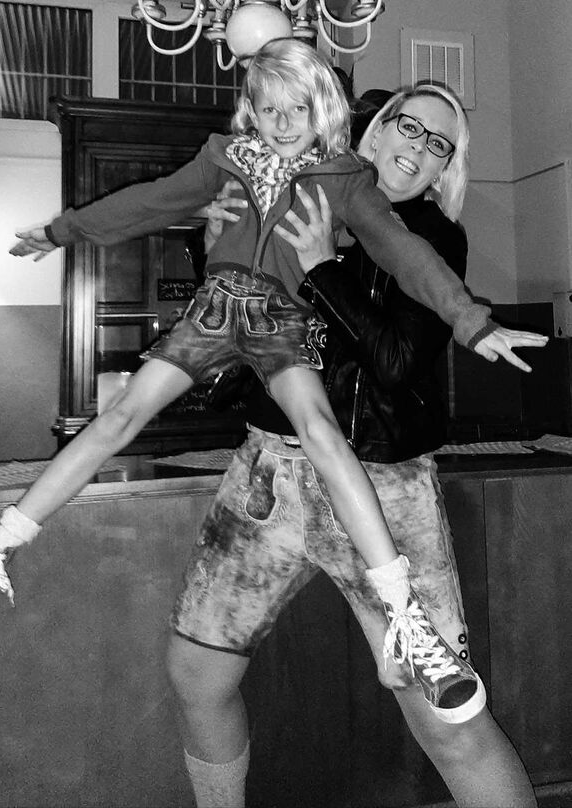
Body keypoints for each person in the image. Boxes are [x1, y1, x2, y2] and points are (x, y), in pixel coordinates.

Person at [0, 42, 544, 722]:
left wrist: (472, 322)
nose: (281, 123)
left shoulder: (343, 181)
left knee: (322, 434)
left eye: (296, 109)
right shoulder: (226, 160)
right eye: (268, 109)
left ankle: (406, 618)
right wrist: (64, 231)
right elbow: (150, 203)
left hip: (280, 324)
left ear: (323, 112)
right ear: (252, 111)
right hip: (214, 310)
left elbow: (405, 255)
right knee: (117, 418)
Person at [167, 84, 538, 808]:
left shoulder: (434, 241)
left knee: (448, 721)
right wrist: (214, 241)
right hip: (267, 477)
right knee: (195, 674)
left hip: (382, 490)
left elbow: (396, 361)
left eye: (440, 145)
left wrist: (321, 268)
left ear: (444, 170)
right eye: (410, 126)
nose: (419, 148)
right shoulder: (303, 199)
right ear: (375, 131)